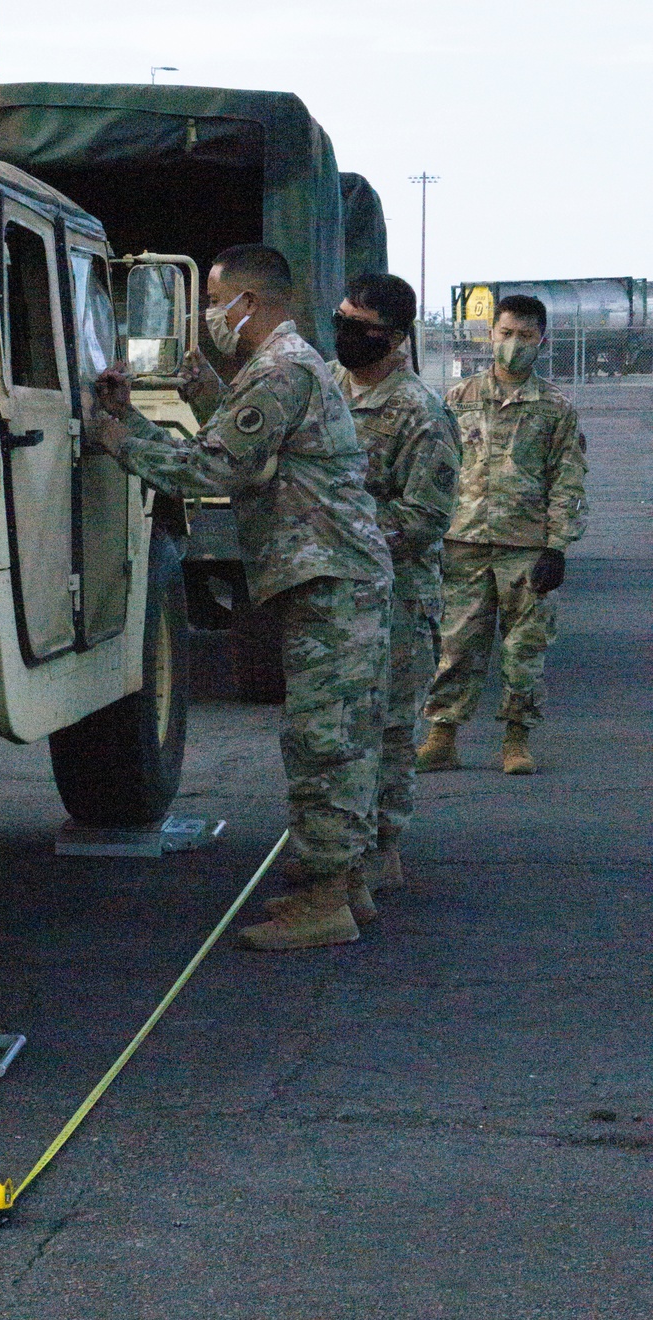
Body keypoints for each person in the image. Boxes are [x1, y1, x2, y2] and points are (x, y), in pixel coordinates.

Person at [89, 244, 393, 950]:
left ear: (246, 305)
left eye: (214, 300)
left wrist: (113, 435)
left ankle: (327, 900)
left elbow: (214, 467)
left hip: (331, 581)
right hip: (333, 577)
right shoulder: (279, 366)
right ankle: (345, 885)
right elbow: (242, 434)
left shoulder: (282, 369)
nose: (208, 316)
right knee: (338, 739)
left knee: (322, 743)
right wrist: (149, 413)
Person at [417, 294, 588, 774]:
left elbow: (568, 480)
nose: (515, 344)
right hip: (463, 541)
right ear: (491, 334)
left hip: (526, 547)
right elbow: (435, 470)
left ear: (543, 341)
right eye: (507, 333)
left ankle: (516, 740)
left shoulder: (555, 408)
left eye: (526, 336)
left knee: (524, 649)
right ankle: (442, 736)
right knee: (455, 646)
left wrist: (557, 547)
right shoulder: (456, 399)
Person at [330, 274, 460, 890]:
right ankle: (340, 848)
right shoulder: (327, 386)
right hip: (336, 595)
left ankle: (381, 848)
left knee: (388, 728)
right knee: (340, 728)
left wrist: (337, 527)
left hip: (398, 600)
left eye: (363, 330)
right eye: (342, 321)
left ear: (395, 338)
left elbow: (424, 520)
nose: (346, 337)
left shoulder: (421, 413)